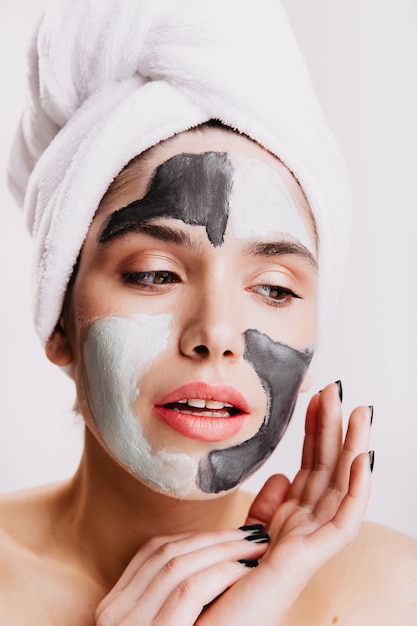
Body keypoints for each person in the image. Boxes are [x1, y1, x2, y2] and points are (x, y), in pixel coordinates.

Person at [2, 0, 416, 624]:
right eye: (154, 275)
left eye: (275, 289)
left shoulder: (393, 595)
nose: (218, 334)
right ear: (58, 320)